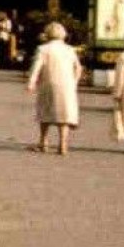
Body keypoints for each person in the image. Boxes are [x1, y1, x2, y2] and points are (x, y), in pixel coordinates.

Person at [26, 21, 82, 155]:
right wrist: (74, 81)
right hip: (67, 84)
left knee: (45, 111)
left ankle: (43, 141)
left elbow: (37, 67)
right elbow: (78, 67)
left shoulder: (43, 49)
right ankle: (63, 144)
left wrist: (31, 82)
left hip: (48, 83)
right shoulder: (70, 49)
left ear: (47, 34)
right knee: (64, 114)